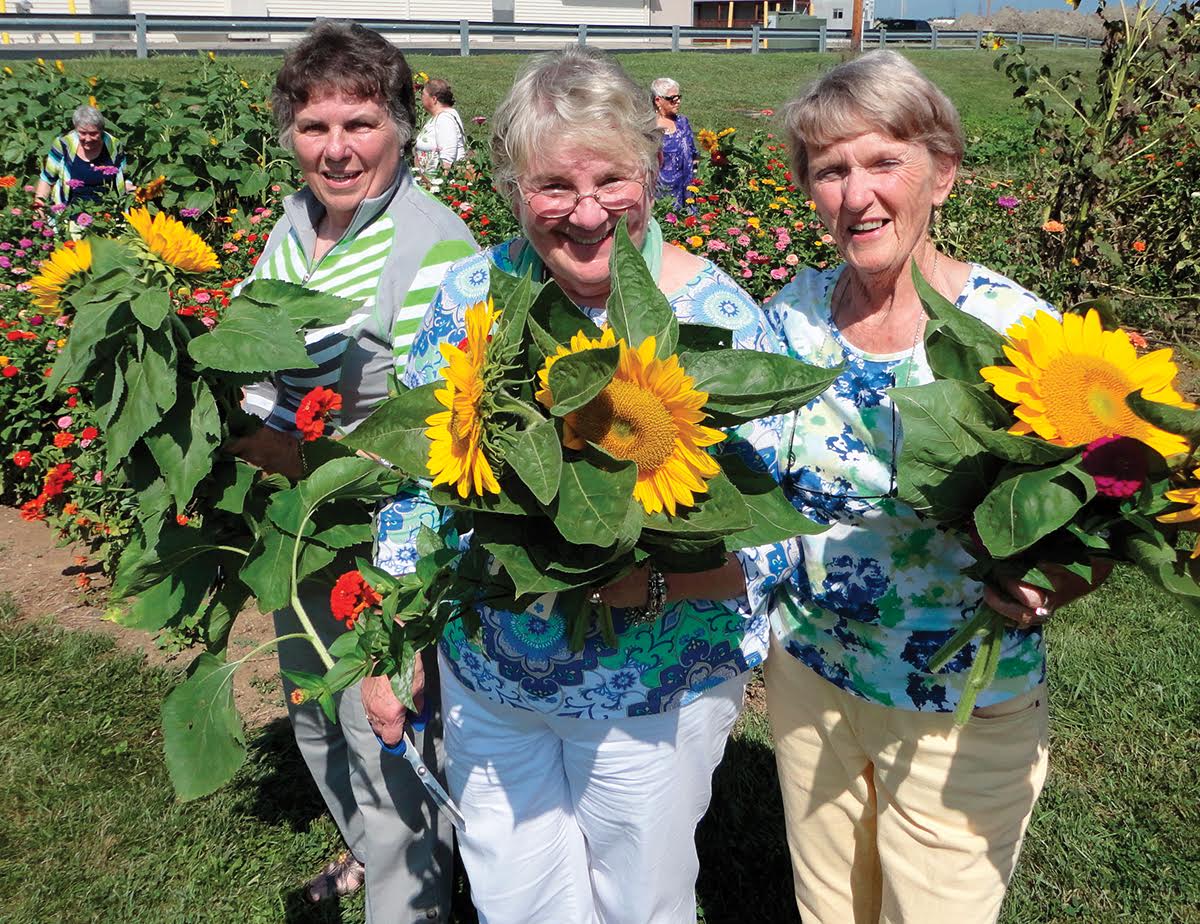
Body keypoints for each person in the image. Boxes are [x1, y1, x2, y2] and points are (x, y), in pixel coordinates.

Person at [367, 45, 797, 924]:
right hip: (490, 682)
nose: (588, 210)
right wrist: (398, 640)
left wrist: (635, 577)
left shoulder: (712, 318)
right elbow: (411, 487)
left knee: (638, 900)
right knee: (514, 896)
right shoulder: (470, 298)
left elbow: (771, 539)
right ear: (513, 188)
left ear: (652, 173)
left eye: (613, 178)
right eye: (553, 184)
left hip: (650, 691)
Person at [763, 51, 1108, 923]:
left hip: (957, 698)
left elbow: (1110, 503)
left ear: (942, 174)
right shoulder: (791, 315)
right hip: (812, 675)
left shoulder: (1016, 330)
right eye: (832, 170)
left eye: (885, 161)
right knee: (828, 909)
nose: (858, 194)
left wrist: (1060, 577)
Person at [227, 21, 475, 921]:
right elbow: (260, 368)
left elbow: (432, 443)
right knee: (311, 714)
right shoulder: (292, 227)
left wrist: (402, 616)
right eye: (314, 125)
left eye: (359, 123)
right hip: (297, 521)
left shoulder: (435, 247)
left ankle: (414, 896)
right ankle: (374, 852)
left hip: (381, 537)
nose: (336, 150)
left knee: (384, 738)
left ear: (402, 128)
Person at [34, 104, 128, 209]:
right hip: (69, 210)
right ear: (75, 130)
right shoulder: (63, 145)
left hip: (106, 210)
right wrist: (39, 208)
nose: (87, 139)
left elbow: (124, 178)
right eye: (82, 133)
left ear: (101, 131)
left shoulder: (114, 145)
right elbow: (47, 179)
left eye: (93, 134)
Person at [651, 77, 698, 208]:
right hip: (662, 195)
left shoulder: (682, 122)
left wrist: (694, 174)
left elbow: (693, 153)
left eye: (679, 97)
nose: (678, 102)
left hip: (686, 191)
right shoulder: (651, 128)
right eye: (673, 99)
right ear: (658, 100)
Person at [413, 77, 468, 174]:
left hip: (437, 183)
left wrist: (440, 185)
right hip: (429, 182)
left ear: (434, 99)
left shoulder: (445, 119)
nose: (421, 97)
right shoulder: (441, 116)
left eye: (423, 94)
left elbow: (447, 157)